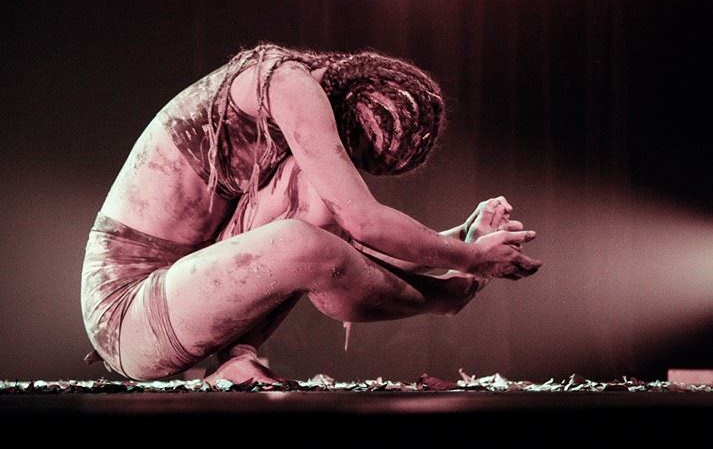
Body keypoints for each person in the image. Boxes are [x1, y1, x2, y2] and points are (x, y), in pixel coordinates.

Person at [80, 41, 542, 384]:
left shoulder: (294, 100)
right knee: (304, 240)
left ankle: (236, 357)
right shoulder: (289, 84)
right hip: (128, 315)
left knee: (316, 212)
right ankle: (447, 298)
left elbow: (351, 250)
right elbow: (360, 226)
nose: (351, 160)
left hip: (184, 296)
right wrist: (470, 261)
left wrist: (457, 240)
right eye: (357, 147)